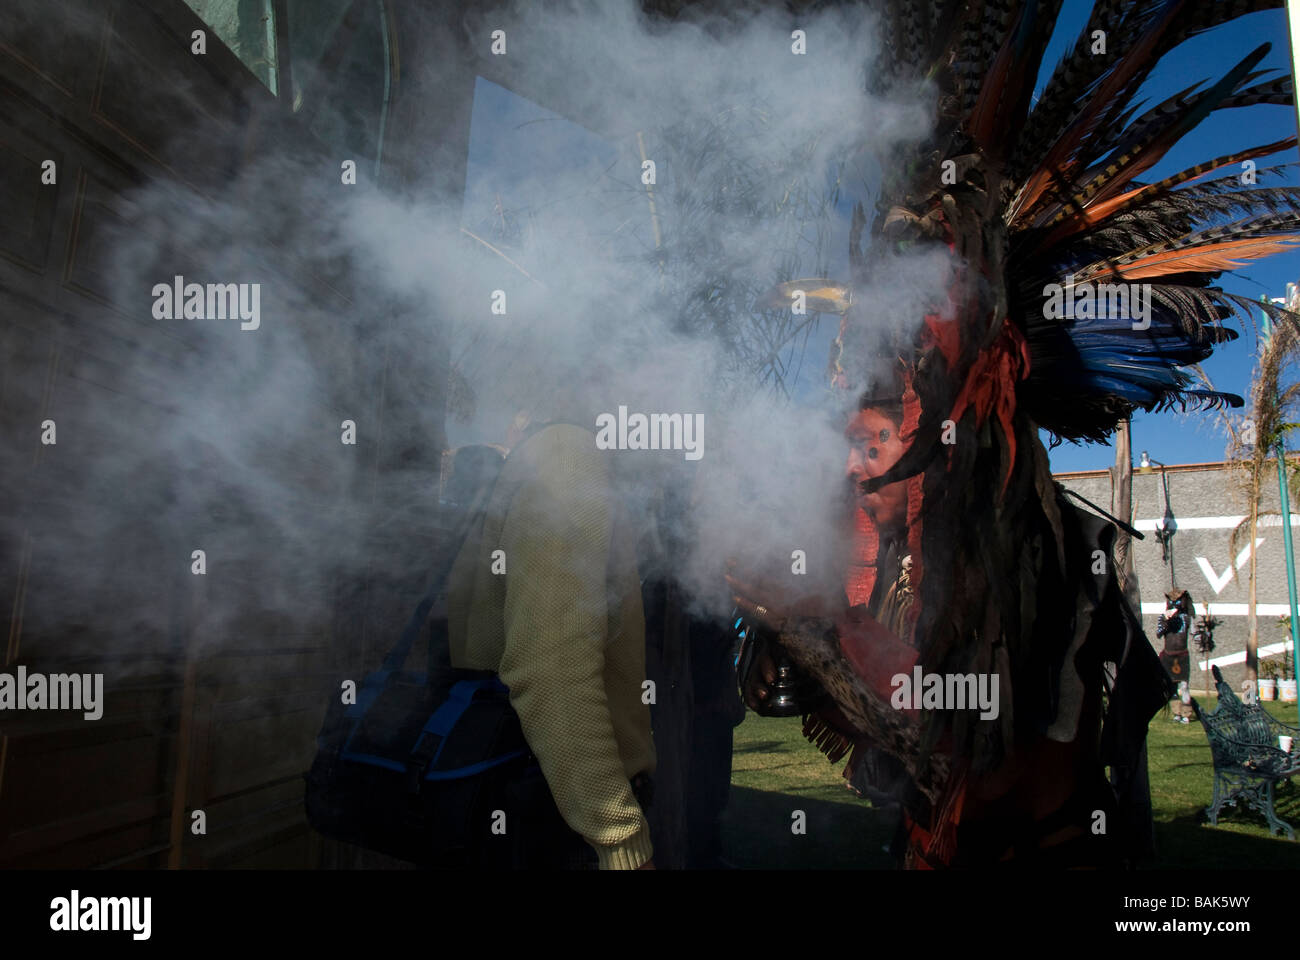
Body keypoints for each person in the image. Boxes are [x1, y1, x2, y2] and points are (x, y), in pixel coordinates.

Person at [445, 411, 656, 869]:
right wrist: (620, 843)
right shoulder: (568, 456)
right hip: (555, 824)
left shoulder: (543, 455)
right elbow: (551, 669)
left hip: (531, 803)